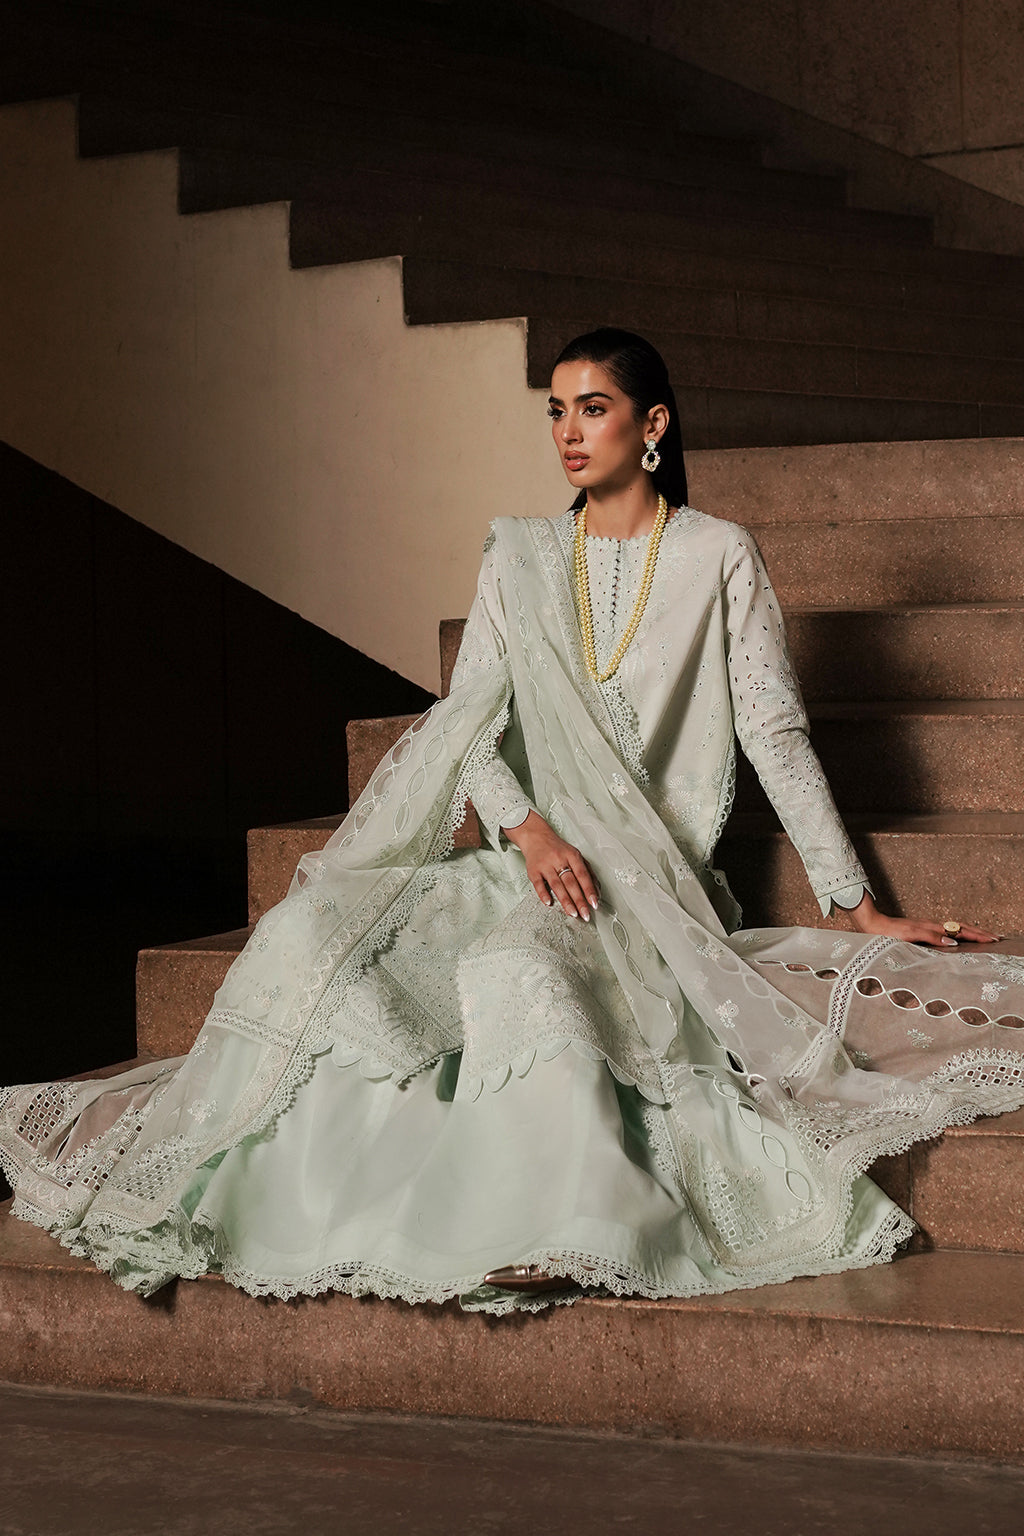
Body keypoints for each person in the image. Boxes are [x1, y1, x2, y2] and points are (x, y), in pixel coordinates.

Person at [1, 328, 1021, 1314]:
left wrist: (850, 900)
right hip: (524, 852)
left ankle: (552, 1225)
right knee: (311, 934)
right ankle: (264, 1195)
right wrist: (526, 830)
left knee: (521, 968)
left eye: (593, 407)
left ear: (652, 424)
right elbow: (467, 725)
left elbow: (773, 731)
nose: (568, 431)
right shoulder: (521, 554)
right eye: (556, 411)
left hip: (645, 879)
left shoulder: (717, 554)